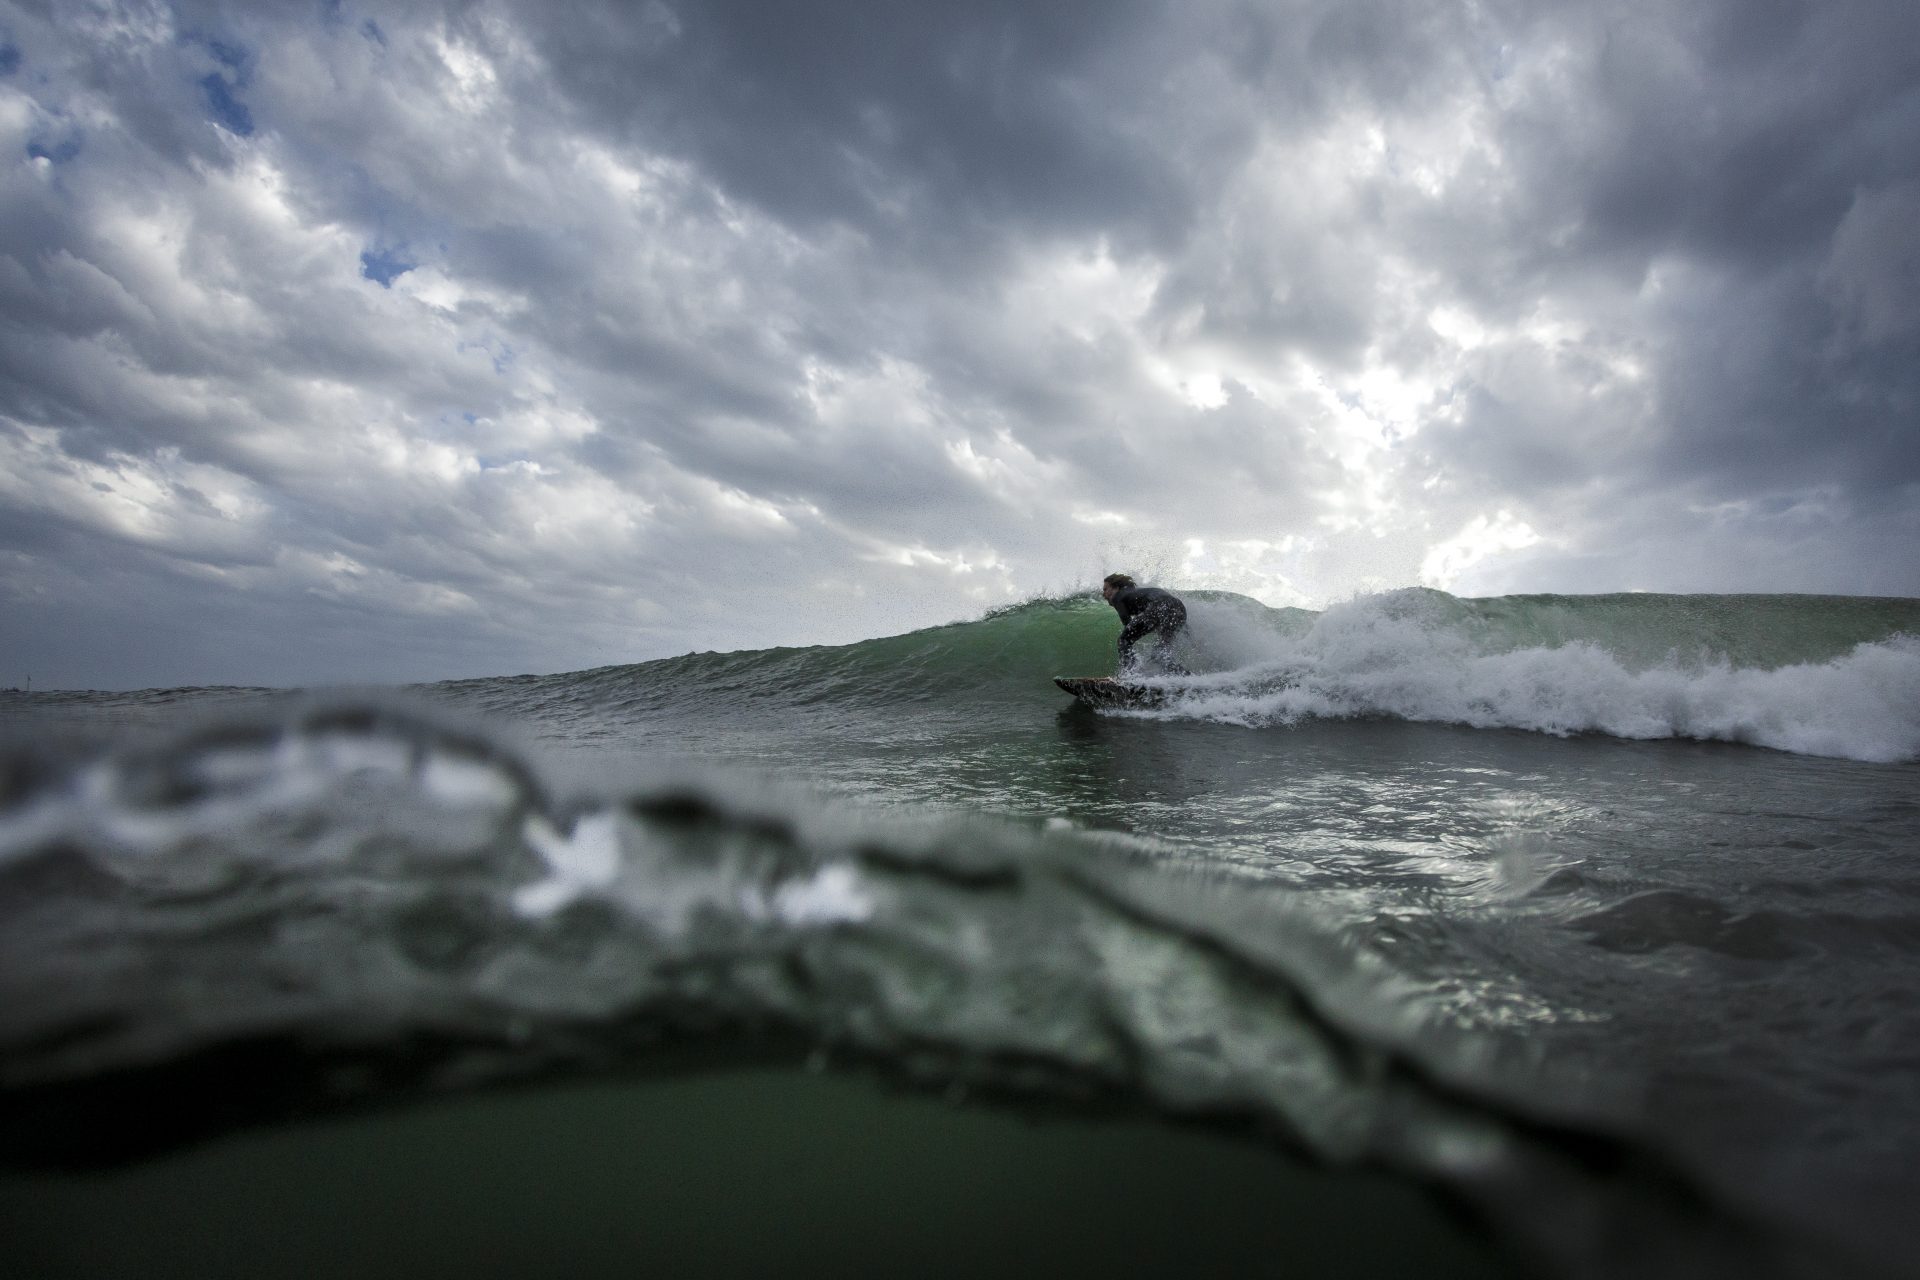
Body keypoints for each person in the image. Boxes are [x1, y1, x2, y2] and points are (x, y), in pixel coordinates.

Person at [1101, 573, 1191, 676]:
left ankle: (1129, 676)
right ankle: (1183, 675)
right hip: (1179, 607)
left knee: (1123, 640)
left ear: (1116, 588)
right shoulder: (1136, 593)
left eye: (1105, 589)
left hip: (1159, 606)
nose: (1103, 594)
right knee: (1160, 653)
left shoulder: (1118, 596)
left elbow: (1127, 624)